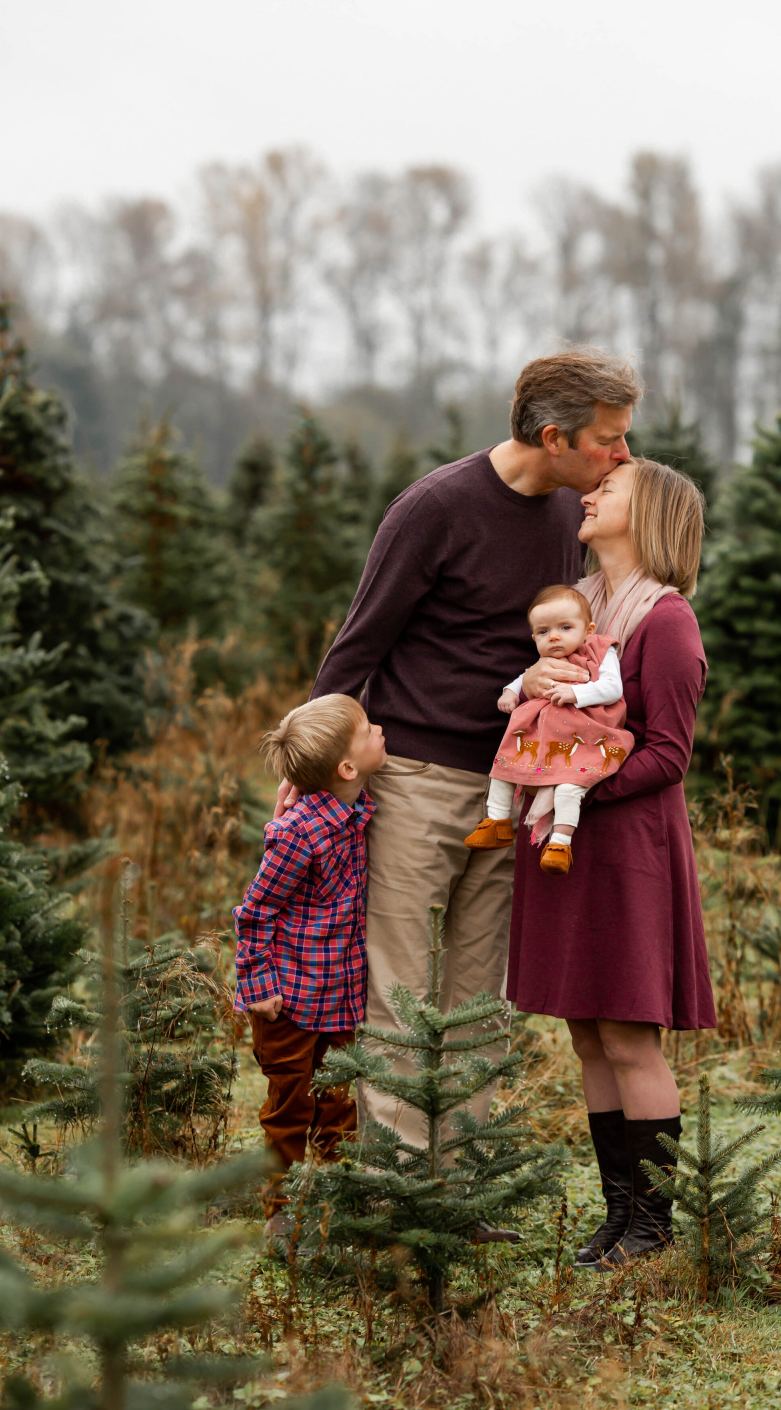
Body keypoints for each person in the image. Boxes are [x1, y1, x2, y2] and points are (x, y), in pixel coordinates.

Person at [274, 348, 642, 1148]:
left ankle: (461, 1185)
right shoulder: (435, 506)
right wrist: (308, 769)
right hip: (416, 780)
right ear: (555, 437)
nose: (622, 456)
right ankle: (400, 1189)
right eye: (608, 440)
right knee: (400, 986)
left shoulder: (563, 519)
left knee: (482, 993)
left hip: (516, 785)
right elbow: (359, 641)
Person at [507, 457, 717, 1270]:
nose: (587, 497)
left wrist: (577, 788)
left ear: (653, 512)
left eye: (609, 490)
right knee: (588, 1035)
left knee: (630, 1037)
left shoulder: (665, 621)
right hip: (561, 843)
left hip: (625, 844)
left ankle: (654, 1230)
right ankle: (618, 1216)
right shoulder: (572, 611)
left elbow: (668, 753)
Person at [233, 693, 387, 1229]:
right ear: (347, 767)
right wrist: (258, 984)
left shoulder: (357, 811)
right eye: (368, 730)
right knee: (290, 1108)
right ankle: (279, 1212)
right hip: (288, 1004)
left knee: (339, 1106)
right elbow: (255, 912)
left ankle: (336, 1204)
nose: (380, 730)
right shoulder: (297, 832)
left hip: (340, 997)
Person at [464, 584, 634, 875]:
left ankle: (560, 842)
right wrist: (509, 693)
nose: (554, 636)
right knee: (505, 767)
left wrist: (577, 695)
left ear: (588, 629)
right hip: (545, 733)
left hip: (587, 734)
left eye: (565, 627)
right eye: (543, 632)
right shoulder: (546, 661)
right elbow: (522, 678)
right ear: (534, 637)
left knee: (570, 786)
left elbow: (612, 688)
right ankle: (496, 822)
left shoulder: (600, 649)